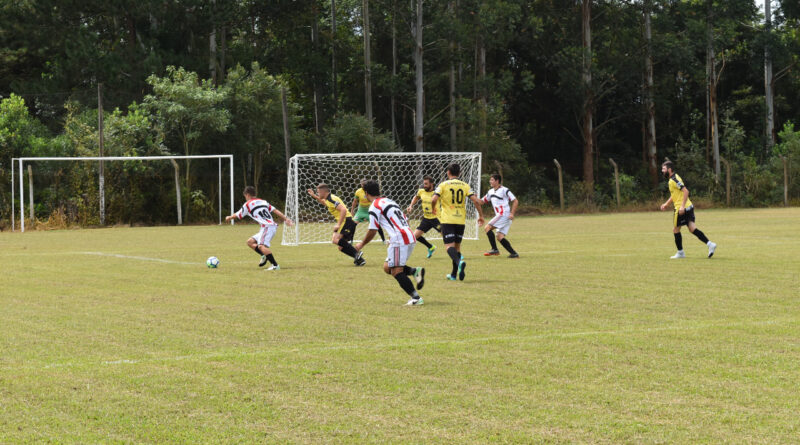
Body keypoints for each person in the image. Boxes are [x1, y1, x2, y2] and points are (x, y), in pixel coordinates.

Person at [355, 180, 425, 306]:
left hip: (400, 239)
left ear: (366, 193)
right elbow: (405, 220)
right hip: (409, 236)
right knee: (387, 267)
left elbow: (373, 229)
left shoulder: (374, 206)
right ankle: (415, 271)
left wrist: (361, 244)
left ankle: (416, 298)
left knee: (396, 271)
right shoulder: (390, 201)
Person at [431, 163, 485, 281]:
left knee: (449, 247)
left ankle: (459, 262)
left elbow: (434, 198)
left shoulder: (443, 185)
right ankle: (454, 274)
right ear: (459, 173)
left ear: (448, 172)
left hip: (447, 220)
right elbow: (476, 201)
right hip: (460, 220)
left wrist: (433, 208)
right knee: (457, 248)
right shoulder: (465, 185)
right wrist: (481, 215)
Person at [225, 186, 293, 270]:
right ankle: (263, 256)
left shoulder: (247, 204)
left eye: (245, 196)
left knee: (261, 246)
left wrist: (229, 217)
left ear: (247, 195)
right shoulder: (263, 201)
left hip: (267, 227)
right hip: (268, 227)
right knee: (250, 242)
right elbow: (275, 210)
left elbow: (238, 214)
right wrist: (286, 219)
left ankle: (275, 265)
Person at [659, 161, 717, 259]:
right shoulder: (674, 178)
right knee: (692, 228)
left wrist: (682, 206)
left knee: (676, 229)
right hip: (689, 206)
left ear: (669, 169)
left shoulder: (673, 180)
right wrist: (666, 204)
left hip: (682, 208)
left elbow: (686, 191)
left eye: (663, 169)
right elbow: (675, 195)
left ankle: (680, 252)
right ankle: (710, 244)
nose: (662, 171)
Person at [307, 184, 366, 266]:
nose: (318, 194)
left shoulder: (331, 199)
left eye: (318, 192)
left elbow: (343, 210)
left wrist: (338, 224)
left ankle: (356, 253)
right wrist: (314, 196)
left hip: (346, 221)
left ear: (323, 192)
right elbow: (324, 203)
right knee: (341, 247)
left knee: (335, 240)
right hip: (347, 221)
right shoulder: (328, 199)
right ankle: (360, 260)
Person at [481, 173, 519, 258]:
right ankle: (514, 253)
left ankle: (494, 249)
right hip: (502, 216)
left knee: (487, 227)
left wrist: (512, 213)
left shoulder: (504, 190)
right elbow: (482, 202)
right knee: (499, 236)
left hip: (504, 214)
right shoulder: (490, 192)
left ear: (497, 181)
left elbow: (515, 201)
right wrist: (473, 198)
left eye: (492, 180)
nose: (490, 181)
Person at [406, 175, 441, 259]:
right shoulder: (421, 191)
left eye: (426, 184)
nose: (424, 185)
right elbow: (416, 197)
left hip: (437, 219)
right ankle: (430, 247)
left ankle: (457, 254)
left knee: (447, 237)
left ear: (432, 184)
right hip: (426, 219)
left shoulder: (437, 193)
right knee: (414, 236)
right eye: (424, 183)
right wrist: (411, 206)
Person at [351, 179, 386, 244]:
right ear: (360, 185)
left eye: (364, 184)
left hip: (369, 211)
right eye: (362, 184)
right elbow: (355, 201)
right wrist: (352, 210)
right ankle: (351, 240)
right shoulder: (358, 191)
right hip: (360, 211)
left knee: (376, 225)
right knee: (353, 224)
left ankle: (384, 240)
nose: (363, 186)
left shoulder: (370, 191)